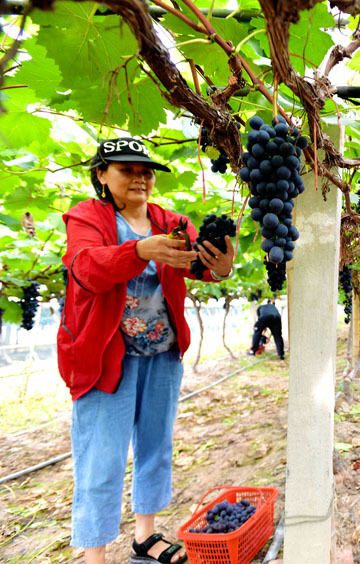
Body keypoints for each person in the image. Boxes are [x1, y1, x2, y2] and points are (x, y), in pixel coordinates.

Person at [57, 138, 235, 564]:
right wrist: (137, 250)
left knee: (155, 446)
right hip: (105, 359)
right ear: (101, 174)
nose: (140, 177)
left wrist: (220, 267)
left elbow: (201, 267)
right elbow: (85, 268)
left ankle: (145, 538)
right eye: (126, 169)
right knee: (103, 457)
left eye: (146, 171)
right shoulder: (87, 217)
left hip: (161, 353)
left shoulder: (171, 221)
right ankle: (94, 555)